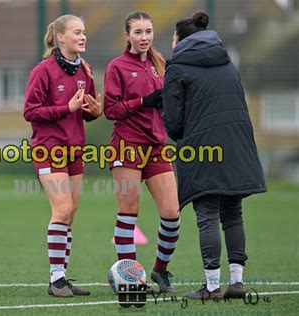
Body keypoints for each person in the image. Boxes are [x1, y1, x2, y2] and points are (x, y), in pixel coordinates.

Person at [163, 11, 267, 300]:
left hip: (203, 148)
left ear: (182, 39)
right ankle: (237, 283)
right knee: (233, 212)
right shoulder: (227, 62)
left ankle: (211, 287)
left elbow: (172, 122)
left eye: (173, 37)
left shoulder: (177, 68)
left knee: (207, 214)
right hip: (239, 145)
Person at [23, 14, 102, 297]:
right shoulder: (43, 71)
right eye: (77, 32)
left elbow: (87, 110)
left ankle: (62, 277)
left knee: (71, 214)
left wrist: (95, 112)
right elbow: (30, 112)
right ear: (60, 38)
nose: (82, 37)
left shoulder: (86, 69)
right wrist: (65, 109)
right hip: (49, 148)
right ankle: (56, 280)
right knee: (62, 210)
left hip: (74, 149)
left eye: (84, 32)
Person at [104, 11, 180, 293]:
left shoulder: (161, 63)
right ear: (127, 36)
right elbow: (110, 109)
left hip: (158, 146)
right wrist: (142, 102)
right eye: (138, 32)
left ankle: (160, 271)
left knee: (172, 212)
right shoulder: (117, 66)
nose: (144, 37)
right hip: (127, 145)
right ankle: (130, 278)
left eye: (148, 31)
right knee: (128, 211)